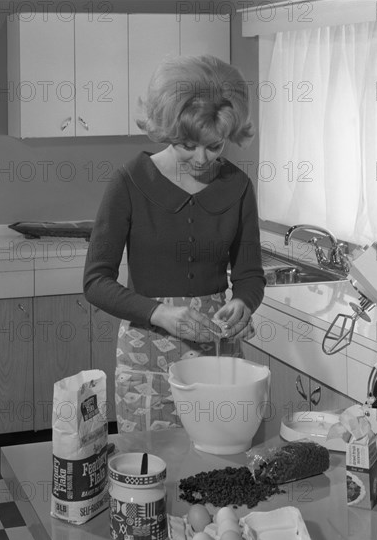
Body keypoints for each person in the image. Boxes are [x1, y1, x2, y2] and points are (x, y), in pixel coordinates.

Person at [83, 54, 265, 433]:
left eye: (214, 147)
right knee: (152, 468)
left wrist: (242, 303)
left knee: (219, 465)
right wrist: (161, 314)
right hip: (146, 349)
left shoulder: (238, 187)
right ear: (166, 131)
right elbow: (96, 282)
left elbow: (249, 274)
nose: (201, 159)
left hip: (217, 350)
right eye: (187, 146)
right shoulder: (130, 182)